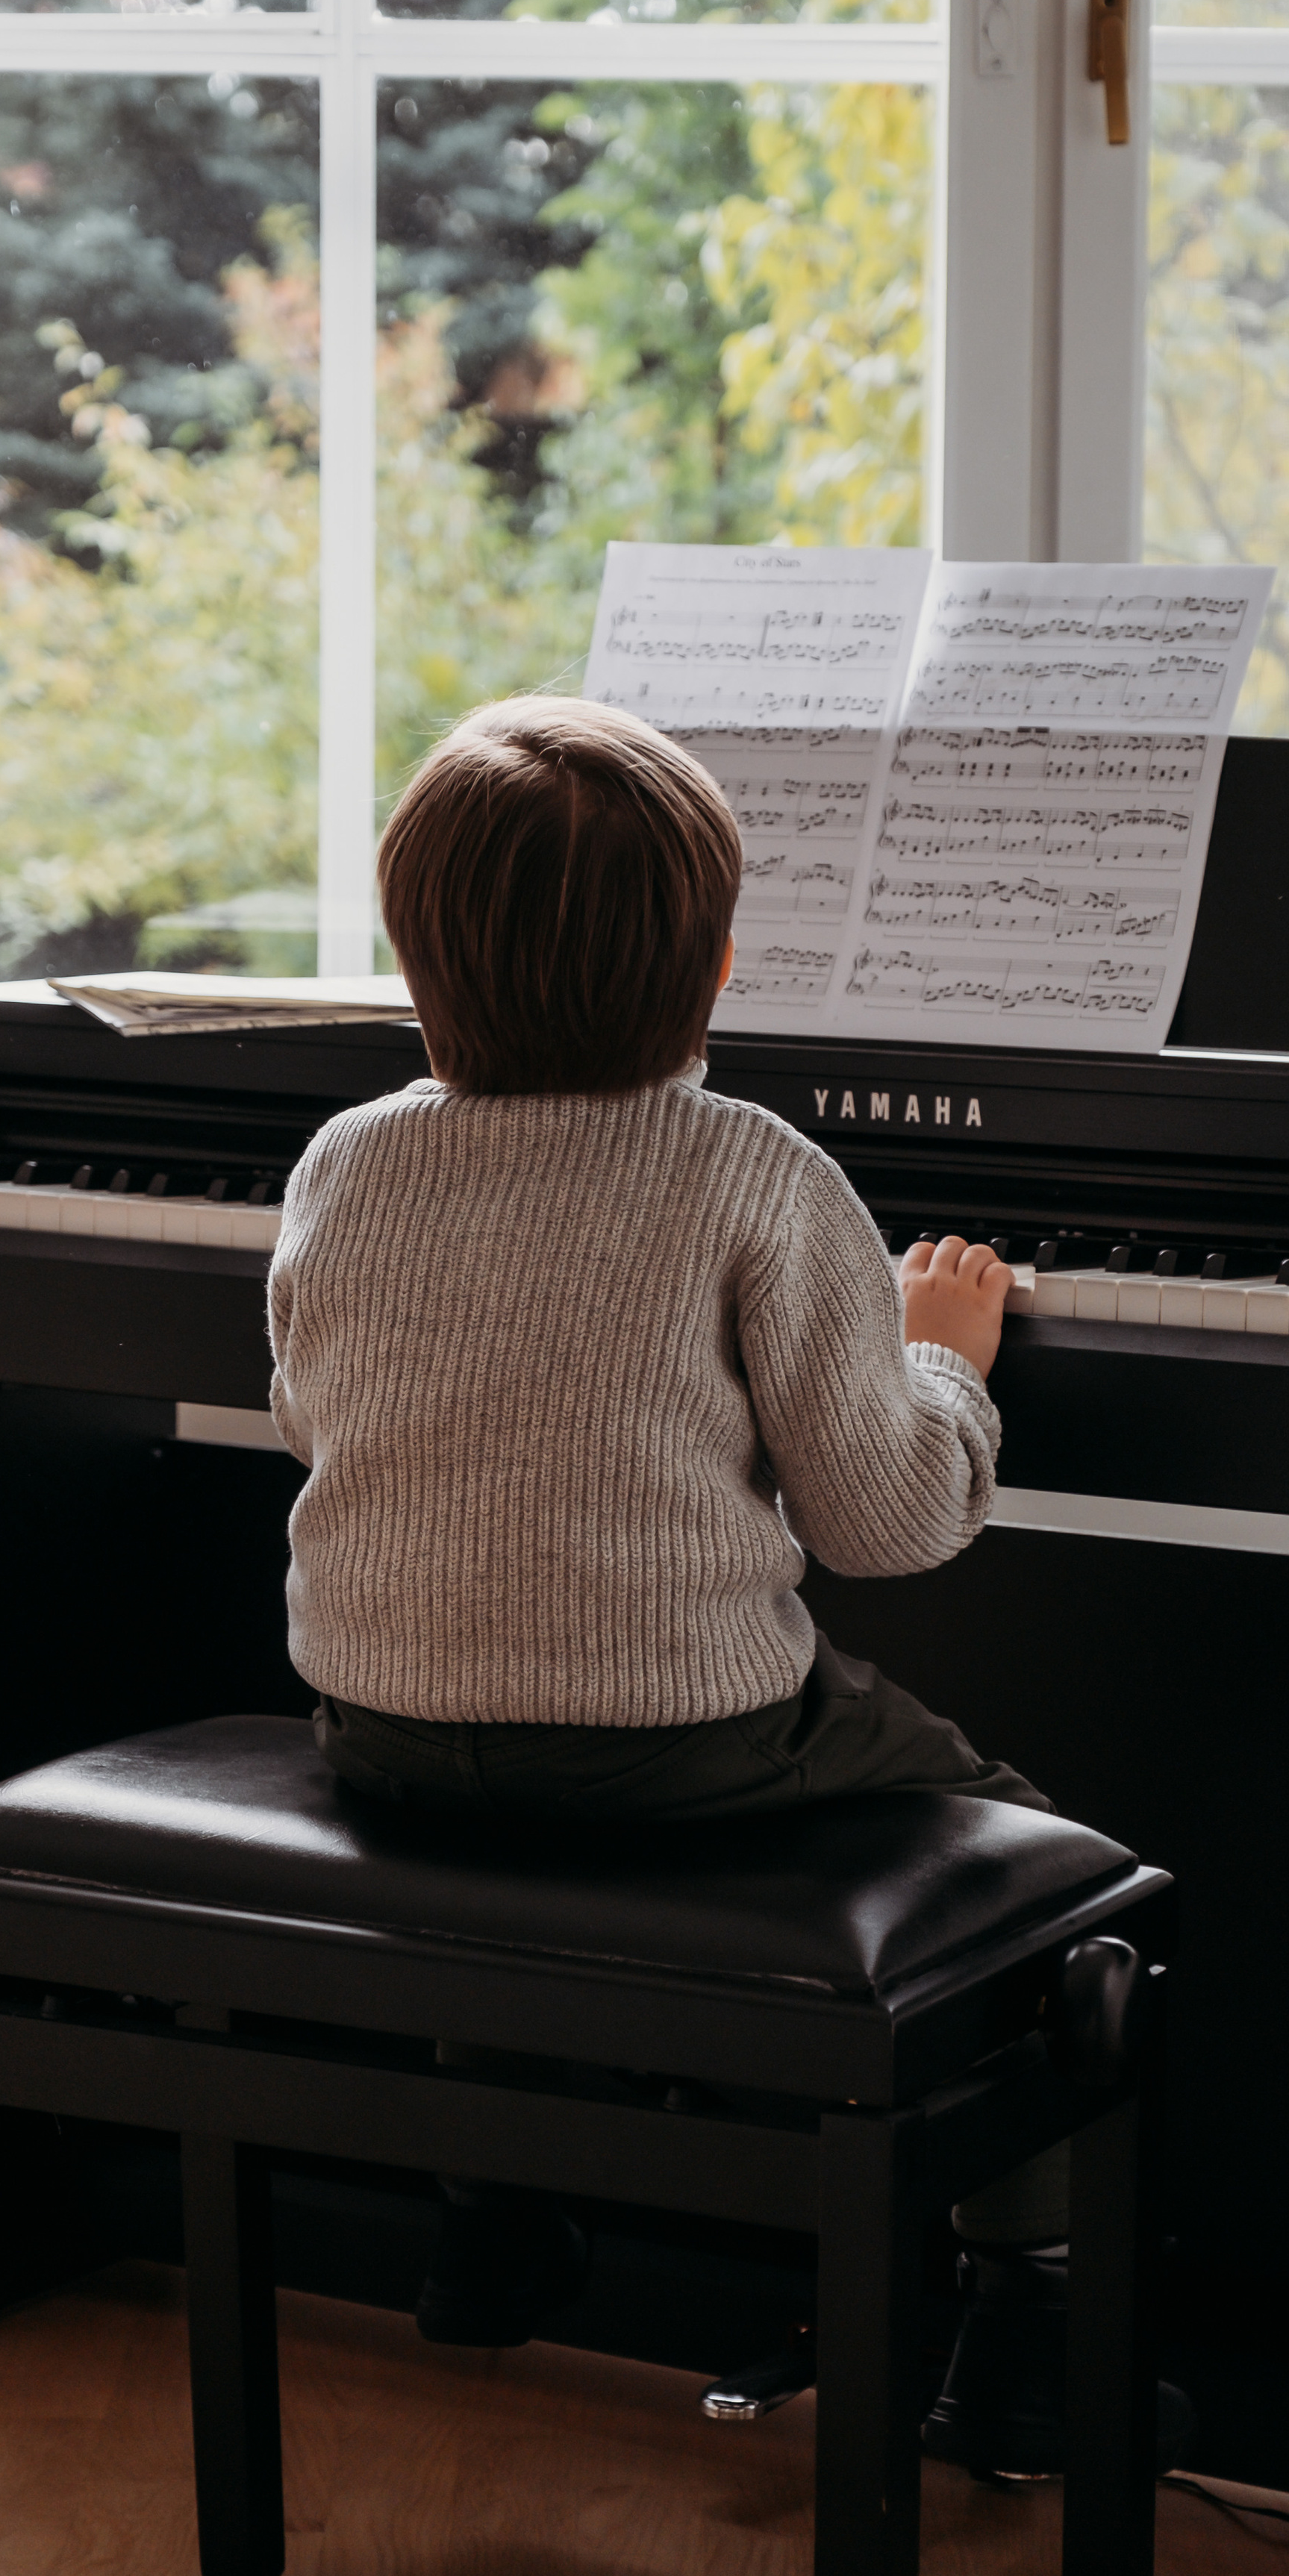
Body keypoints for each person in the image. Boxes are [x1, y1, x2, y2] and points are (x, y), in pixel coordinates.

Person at [265, 695, 1163, 2480]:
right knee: (1042, 1867)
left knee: (480, 1846)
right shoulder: (751, 1169)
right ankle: (1031, 2321)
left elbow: (313, 1408)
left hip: (375, 1723)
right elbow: (889, 1519)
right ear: (721, 962)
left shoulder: (345, 1161)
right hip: (686, 1745)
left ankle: (487, 2209)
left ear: (408, 947)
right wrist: (943, 1358)